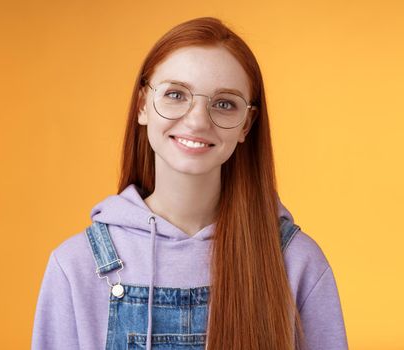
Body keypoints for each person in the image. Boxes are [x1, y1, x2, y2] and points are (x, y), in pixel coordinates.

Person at [31, 17, 348, 350]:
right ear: (142, 105)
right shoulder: (77, 265)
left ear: (246, 125)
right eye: (175, 94)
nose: (197, 120)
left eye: (224, 103)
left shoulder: (296, 263)